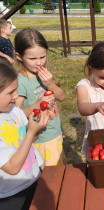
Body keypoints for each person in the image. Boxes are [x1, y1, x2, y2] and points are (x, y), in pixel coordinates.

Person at [0, 61, 49, 210]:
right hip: (12, 195)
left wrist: (39, 126)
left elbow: (28, 142)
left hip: (33, 179)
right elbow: (12, 168)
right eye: (10, 92)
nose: (16, 95)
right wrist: (31, 132)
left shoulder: (13, 110)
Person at [14, 28, 66, 168]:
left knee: (59, 170)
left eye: (42, 57)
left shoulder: (43, 75)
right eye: (32, 58)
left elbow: (61, 97)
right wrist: (36, 105)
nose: (39, 63)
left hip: (54, 134)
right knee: (51, 178)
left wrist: (50, 84)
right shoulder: (20, 82)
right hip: (39, 139)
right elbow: (15, 115)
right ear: (19, 56)